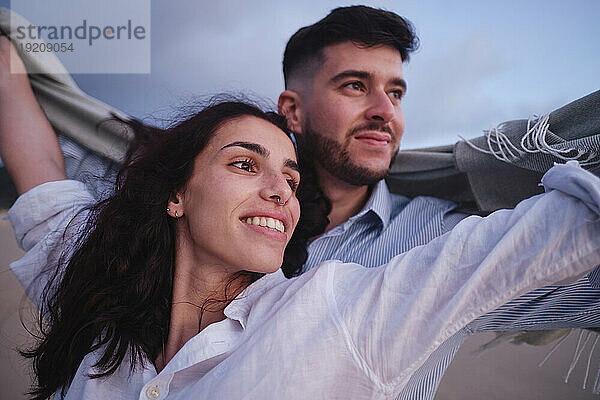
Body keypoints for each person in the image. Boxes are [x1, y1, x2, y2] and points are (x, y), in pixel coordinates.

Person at [2, 35, 600, 400]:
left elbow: (541, 242)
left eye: (397, 92)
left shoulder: (338, 309)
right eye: (244, 165)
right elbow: (41, 166)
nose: (279, 193)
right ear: (174, 195)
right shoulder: (96, 277)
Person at [276, 6, 600, 398]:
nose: (385, 111)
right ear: (293, 111)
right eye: (355, 86)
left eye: (395, 92)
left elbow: (580, 291)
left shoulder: (442, 237)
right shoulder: (237, 219)